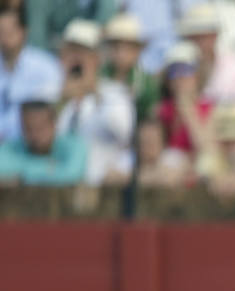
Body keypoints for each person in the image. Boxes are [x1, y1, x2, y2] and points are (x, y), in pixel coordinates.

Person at [55, 18, 136, 184]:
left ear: (96, 58)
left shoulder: (115, 93)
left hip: (103, 189)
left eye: (82, 53)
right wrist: (61, 100)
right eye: (70, 52)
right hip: (61, 187)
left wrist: (94, 92)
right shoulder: (55, 95)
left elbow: (124, 132)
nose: (75, 59)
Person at [0, 8, 61, 143]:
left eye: (8, 32)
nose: (3, 38)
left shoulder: (45, 66)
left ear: (23, 32)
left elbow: (47, 113)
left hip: (29, 144)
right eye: (0, 32)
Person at [0, 95, 88, 184]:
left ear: (54, 124)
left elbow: (72, 176)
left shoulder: (74, 146)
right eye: (28, 129)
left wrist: (21, 176)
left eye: (40, 128)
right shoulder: (9, 148)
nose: (35, 135)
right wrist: (48, 166)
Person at [102, 12, 159, 122]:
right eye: (116, 48)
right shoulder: (98, 75)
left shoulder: (146, 82)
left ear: (137, 51)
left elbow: (149, 117)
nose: (121, 54)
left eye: (127, 48)